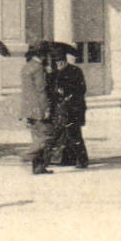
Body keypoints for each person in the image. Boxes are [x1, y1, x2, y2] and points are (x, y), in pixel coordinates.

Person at [49, 45, 89, 168]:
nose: (59, 64)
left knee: (74, 134)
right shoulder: (54, 74)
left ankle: (82, 160)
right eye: (57, 62)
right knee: (61, 136)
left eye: (61, 62)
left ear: (65, 60)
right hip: (60, 109)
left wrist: (66, 91)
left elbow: (82, 89)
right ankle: (66, 159)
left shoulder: (75, 71)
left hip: (74, 108)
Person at [20, 44, 54, 174]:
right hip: (39, 107)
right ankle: (27, 155)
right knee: (47, 135)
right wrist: (46, 109)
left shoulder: (26, 67)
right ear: (42, 55)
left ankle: (38, 167)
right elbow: (41, 90)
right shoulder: (38, 68)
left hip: (28, 108)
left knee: (36, 136)